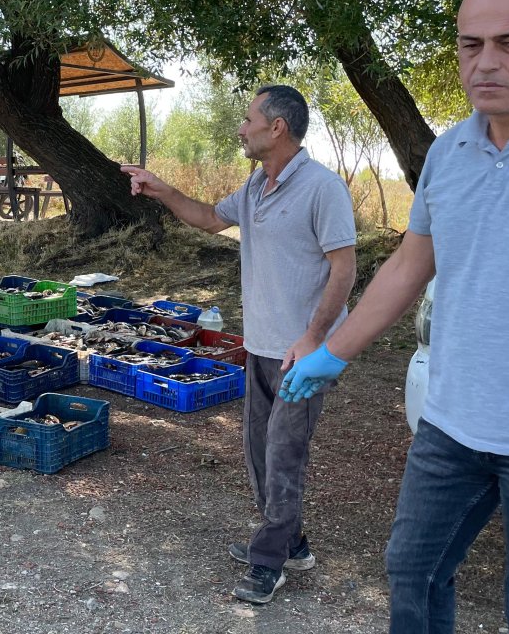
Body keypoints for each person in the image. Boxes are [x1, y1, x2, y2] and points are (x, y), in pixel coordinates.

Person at [280, 0, 509, 630]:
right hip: (452, 426)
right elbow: (410, 266)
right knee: (412, 572)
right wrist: (335, 351)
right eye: (471, 44)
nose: (484, 63)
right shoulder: (449, 151)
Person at [121, 84, 357, 604]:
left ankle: (268, 561)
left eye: (249, 119)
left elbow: (345, 269)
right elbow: (208, 219)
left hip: (304, 355)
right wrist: (160, 189)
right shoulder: (254, 187)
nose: (241, 128)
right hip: (260, 346)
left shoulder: (322, 188)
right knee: (257, 453)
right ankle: (291, 541)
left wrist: (314, 338)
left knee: (284, 454)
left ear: (277, 127)